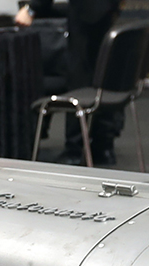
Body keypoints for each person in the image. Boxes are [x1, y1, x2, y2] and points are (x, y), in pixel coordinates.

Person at [17, 0, 124, 166]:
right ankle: (103, 146)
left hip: (87, 15)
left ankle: (75, 150)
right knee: (103, 74)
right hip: (105, 10)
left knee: (80, 77)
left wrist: (31, 9)